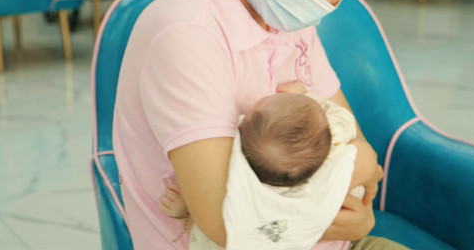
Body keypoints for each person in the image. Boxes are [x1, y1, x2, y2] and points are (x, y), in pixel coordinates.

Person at [113, 0, 406, 250]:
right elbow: (227, 222)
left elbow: (360, 149)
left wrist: (357, 195)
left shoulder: (284, 15)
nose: (325, 2)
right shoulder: (186, 33)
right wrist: (349, 217)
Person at [160, 88, 381, 249]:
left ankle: (190, 215)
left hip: (341, 240)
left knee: (223, 228)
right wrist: (306, 96)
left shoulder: (245, 184)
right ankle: (192, 213)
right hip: (340, 235)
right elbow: (343, 120)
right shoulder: (333, 150)